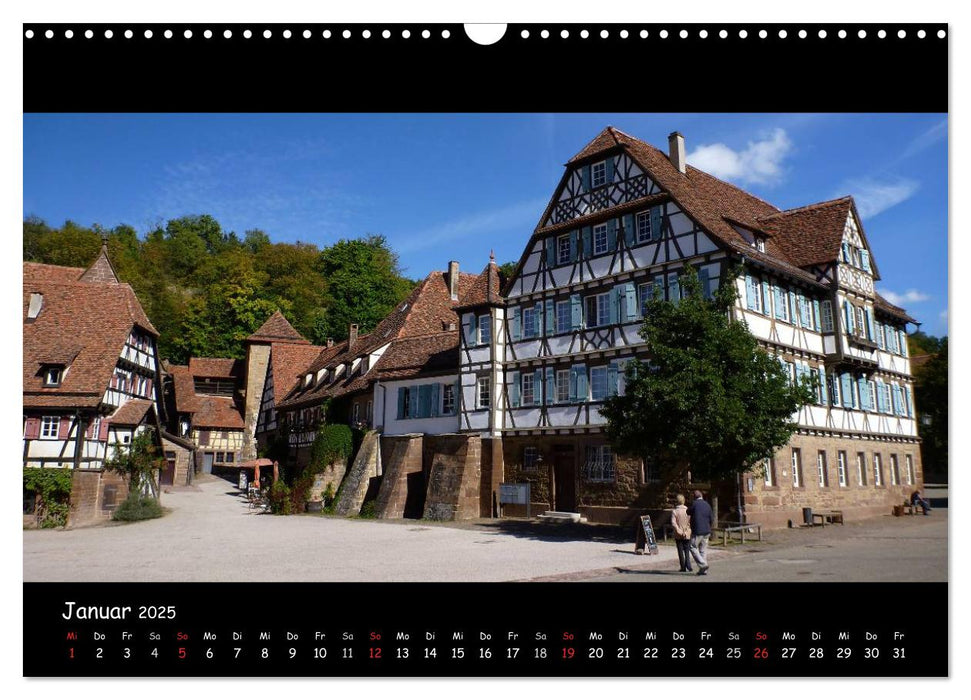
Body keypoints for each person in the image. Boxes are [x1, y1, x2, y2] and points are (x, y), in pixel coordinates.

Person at [687, 490, 714, 575]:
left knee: (692, 546)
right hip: (707, 530)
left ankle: (703, 565)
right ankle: (703, 570)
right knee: (703, 550)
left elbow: (688, 512)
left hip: (698, 530)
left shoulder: (694, 504)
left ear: (694, 497)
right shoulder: (707, 504)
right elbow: (711, 519)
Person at [670, 494, 693, 572]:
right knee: (687, 550)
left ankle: (683, 566)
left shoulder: (675, 511)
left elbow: (674, 523)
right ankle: (689, 565)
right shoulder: (688, 510)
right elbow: (690, 522)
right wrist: (686, 531)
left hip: (678, 534)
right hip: (687, 532)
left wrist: (679, 531)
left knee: (680, 551)